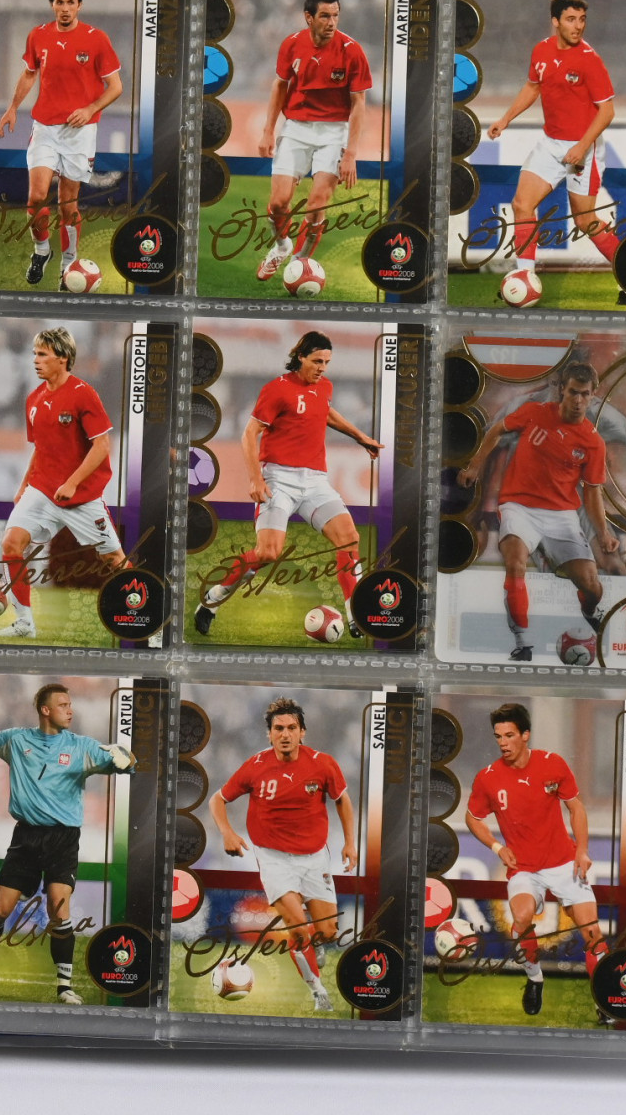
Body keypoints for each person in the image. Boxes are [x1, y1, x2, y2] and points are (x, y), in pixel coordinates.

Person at [0, 684, 134, 1005]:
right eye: (63, 705)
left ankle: (64, 987)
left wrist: (125, 759)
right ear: (45, 710)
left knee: (58, 908)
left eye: (70, 704)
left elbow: (124, 762)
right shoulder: (16, 741)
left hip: (63, 839)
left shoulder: (81, 747)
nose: (70, 710)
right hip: (26, 838)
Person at [195, 331, 382, 638]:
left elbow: (325, 412)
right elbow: (249, 433)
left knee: (349, 538)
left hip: (315, 481)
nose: (322, 368)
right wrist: (255, 478)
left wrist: (360, 437)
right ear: (300, 357)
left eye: (327, 362)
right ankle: (213, 599)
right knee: (268, 553)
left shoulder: (324, 387)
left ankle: (355, 614)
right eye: (317, 361)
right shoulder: (277, 389)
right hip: (278, 479)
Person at [456, 361, 614, 661]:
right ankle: (522, 641)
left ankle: (589, 608)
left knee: (592, 586)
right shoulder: (535, 412)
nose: (578, 400)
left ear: (593, 395)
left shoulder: (594, 443)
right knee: (515, 564)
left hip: (562, 517)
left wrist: (603, 533)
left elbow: (592, 491)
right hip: (518, 507)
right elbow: (497, 430)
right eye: (573, 392)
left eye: (584, 394)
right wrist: (475, 466)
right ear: (562, 390)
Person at [210, 698, 356, 1012]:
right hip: (274, 859)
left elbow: (342, 800)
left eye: (291, 728)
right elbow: (217, 799)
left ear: (302, 732)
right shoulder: (255, 766)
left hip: (314, 858)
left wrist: (350, 843)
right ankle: (318, 992)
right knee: (298, 930)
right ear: (269, 734)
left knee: (328, 932)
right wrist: (227, 833)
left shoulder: (323, 763)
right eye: (278, 728)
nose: (285, 734)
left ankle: (317, 943)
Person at [462, 702, 608, 1017]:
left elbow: (576, 807)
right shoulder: (488, 778)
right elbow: (473, 818)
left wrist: (582, 850)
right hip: (523, 869)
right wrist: (497, 848)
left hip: (564, 863)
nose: (502, 742)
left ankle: (604, 1001)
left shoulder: (552, 764)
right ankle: (534, 978)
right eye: (498, 736)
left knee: (593, 934)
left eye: (509, 735)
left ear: (525, 735)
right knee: (522, 917)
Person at [0, 327, 127, 641]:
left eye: (42, 354)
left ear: (62, 358)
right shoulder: (34, 399)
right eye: (34, 354)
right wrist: (24, 485)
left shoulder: (83, 393)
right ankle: (24, 623)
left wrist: (73, 483)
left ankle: (143, 607)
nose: (35, 360)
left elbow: (102, 446)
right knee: (11, 544)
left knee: (114, 560)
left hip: (81, 497)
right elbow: (41, 448)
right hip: (42, 490)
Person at [0, 0, 123, 286]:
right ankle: (41, 251)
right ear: (52, 5)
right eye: (60, 3)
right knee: (36, 198)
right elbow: (29, 74)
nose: (65, 9)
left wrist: (90, 109)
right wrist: (13, 107)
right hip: (45, 127)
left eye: (70, 3)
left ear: (80, 5)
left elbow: (116, 86)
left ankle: (68, 263)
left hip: (80, 132)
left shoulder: (96, 39)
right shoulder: (38, 35)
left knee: (68, 204)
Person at [486, 0, 620, 281]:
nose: (578, 26)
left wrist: (581, 147)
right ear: (555, 22)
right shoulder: (541, 50)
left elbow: (607, 111)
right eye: (571, 19)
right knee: (522, 205)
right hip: (551, 144)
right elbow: (532, 87)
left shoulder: (590, 60)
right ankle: (525, 276)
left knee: (585, 221)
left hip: (585, 148)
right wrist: (505, 119)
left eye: (582, 19)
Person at [254, 0, 372, 285]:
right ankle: (282, 246)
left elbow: (359, 103)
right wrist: (268, 130)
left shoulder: (352, 50)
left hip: (334, 132)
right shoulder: (292, 44)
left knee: (317, 203)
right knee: (279, 203)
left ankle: (300, 263)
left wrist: (351, 153)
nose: (331, 22)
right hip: (296, 128)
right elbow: (280, 86)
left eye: (335, 16)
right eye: (324, 16)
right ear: (308, 17)